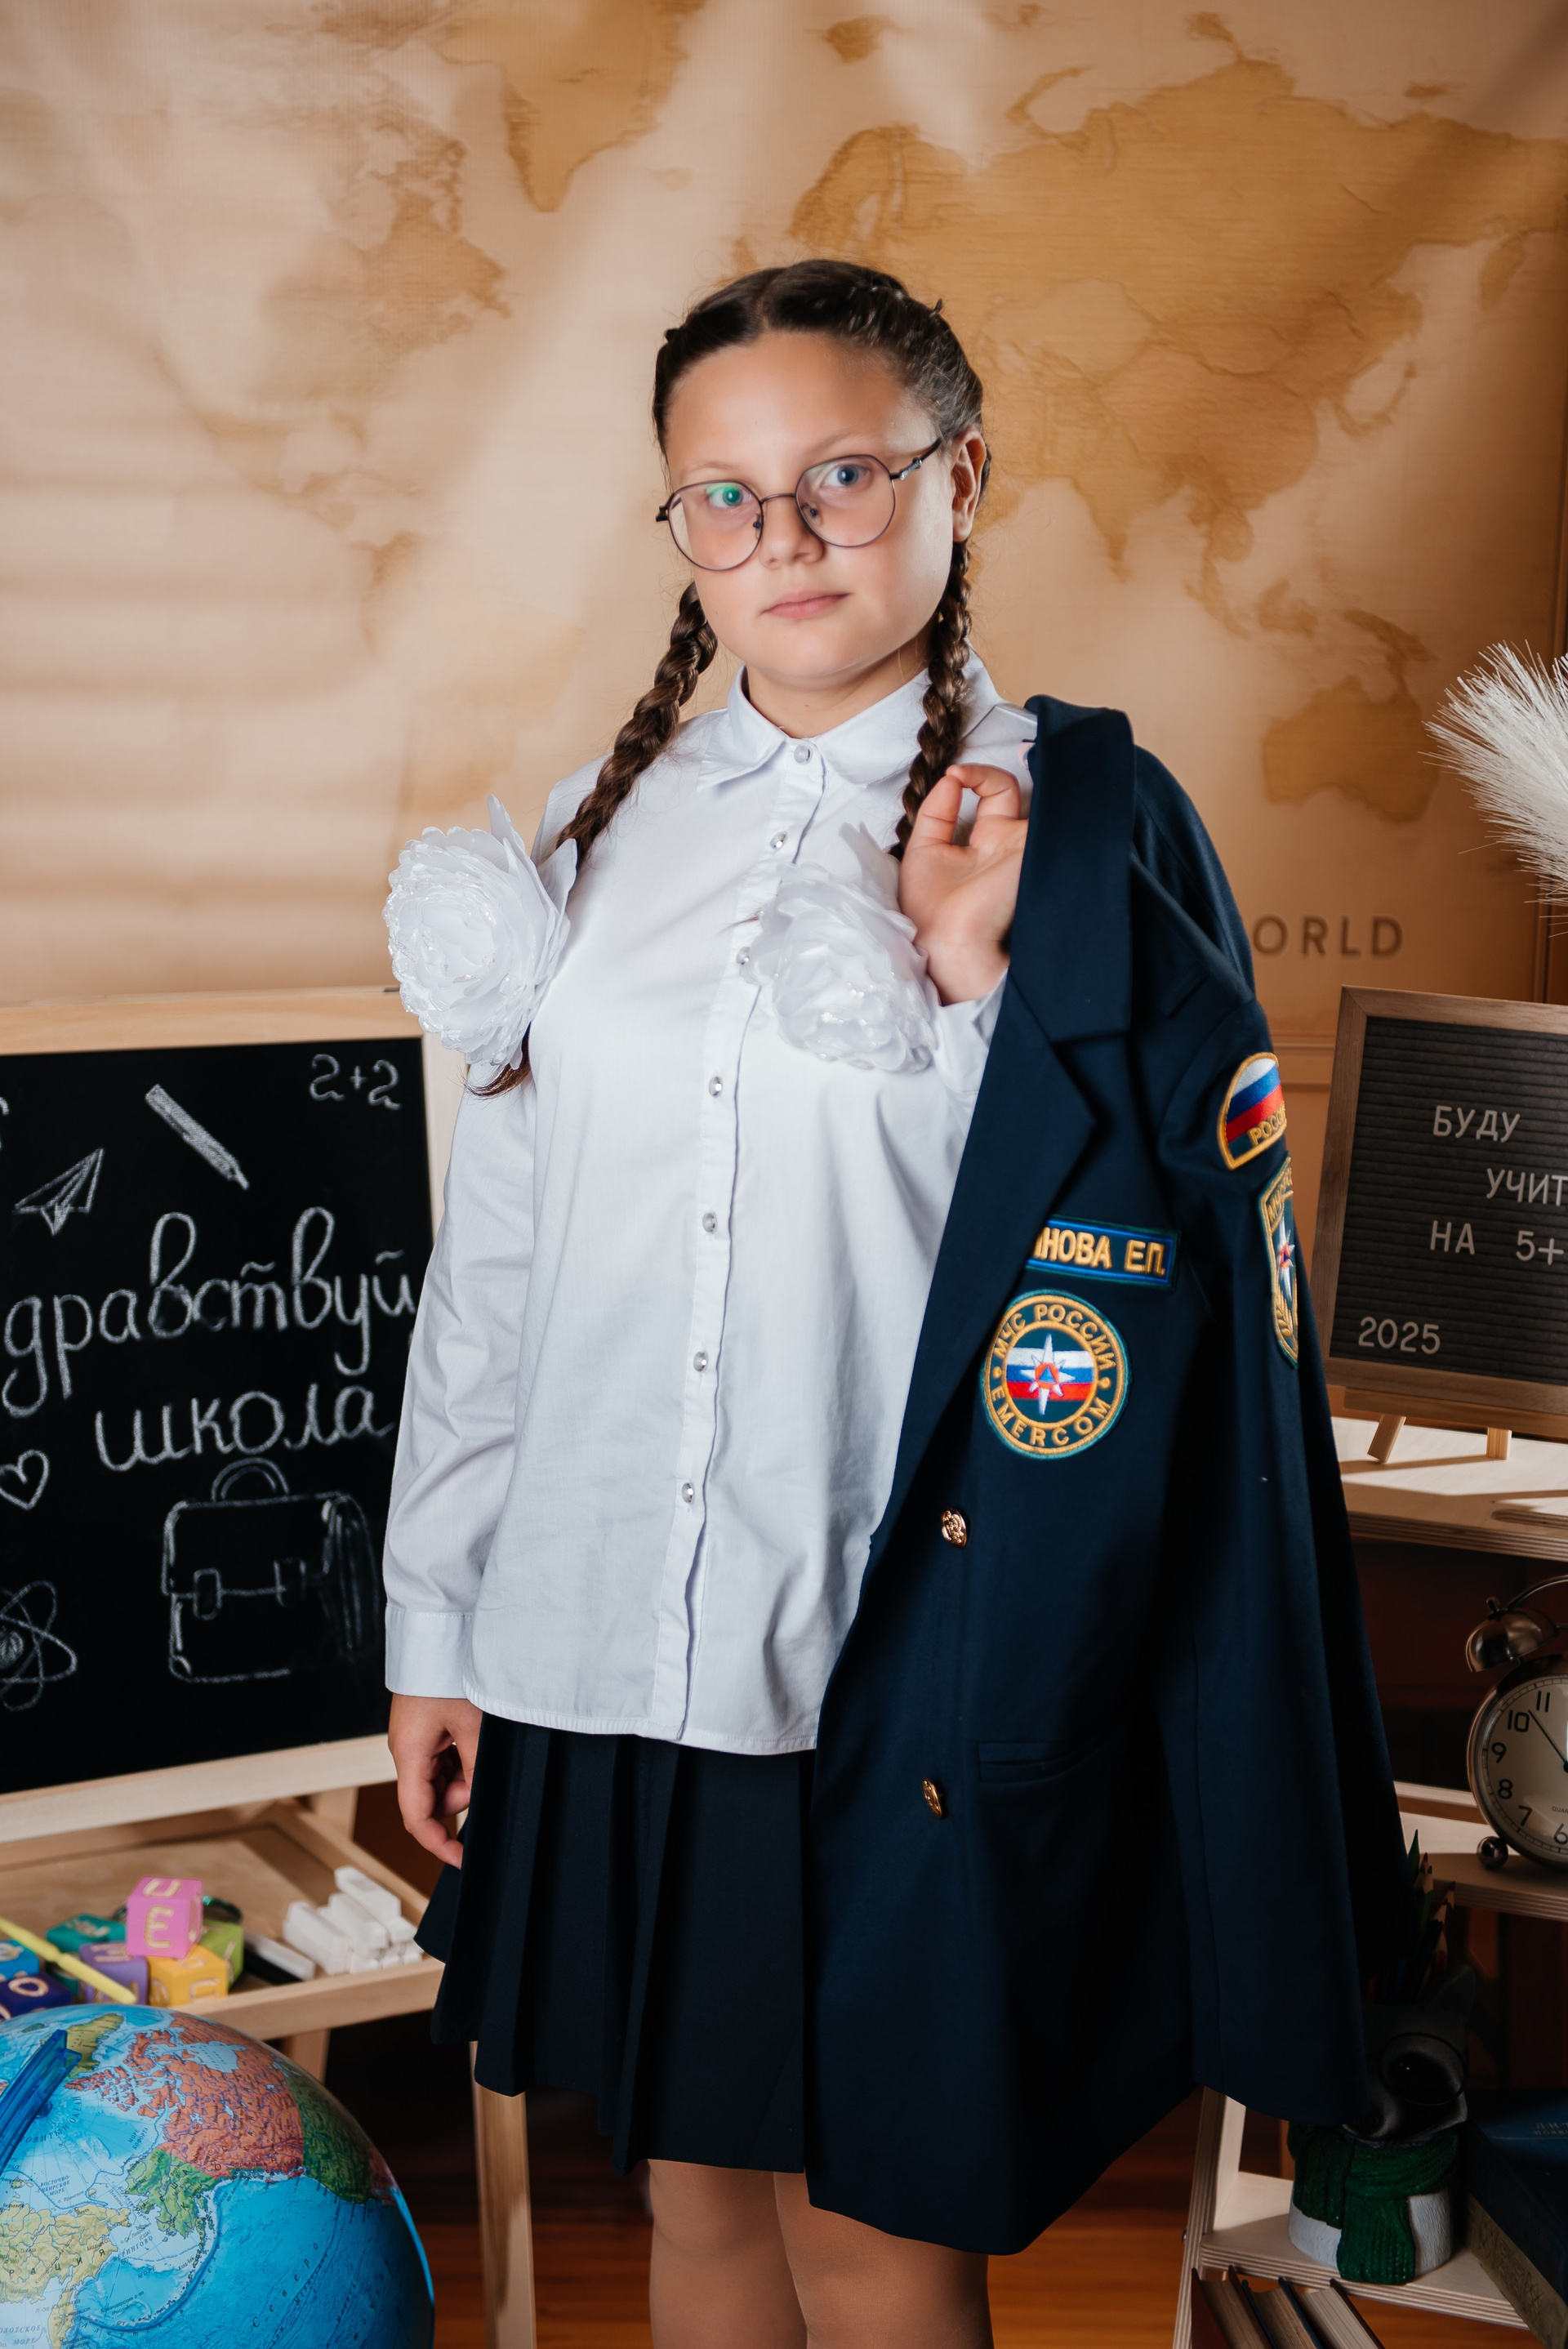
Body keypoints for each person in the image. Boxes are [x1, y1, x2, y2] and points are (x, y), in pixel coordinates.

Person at [381, 261, 1409, 2349]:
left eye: (843, 475)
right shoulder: (598, 833)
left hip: (884, 1654)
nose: (786, 539)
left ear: (961, 476)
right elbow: (499, 1269)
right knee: (690, 2197)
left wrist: (962, 978)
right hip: (608, 1640)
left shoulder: (1071, 827)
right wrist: (442, 1622)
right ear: (677, 523)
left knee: (875, 2227)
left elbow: (1134, 1272)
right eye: (724, 495)